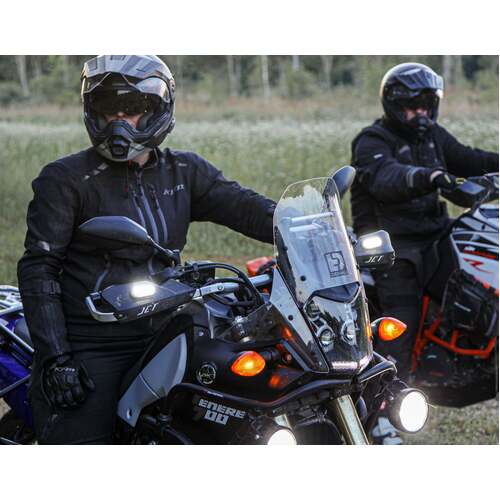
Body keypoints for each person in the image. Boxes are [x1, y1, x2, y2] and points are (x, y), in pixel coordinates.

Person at [17, 55, 276, 444]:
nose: (119, 121)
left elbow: (250, 209)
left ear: (158, 110)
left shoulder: (184, 171)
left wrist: (305, 223)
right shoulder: (66, 179)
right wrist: (57, 357)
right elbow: (39, 268)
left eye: (134, 108)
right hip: (94, 342)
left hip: (169, 329)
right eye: (108, 108)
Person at [350, 62, 498, 443]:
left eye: (427, 106)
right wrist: (430, 177)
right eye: (413, 106)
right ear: (394, 105)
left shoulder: (433, 136)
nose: (421, 114)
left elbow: (470, 158)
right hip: (392, 247)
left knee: (482, 290)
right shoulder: (372, 141)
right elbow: (388, 178)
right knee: (402, 323)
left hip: (437, 235)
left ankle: (472, 362)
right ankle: (381, 416)